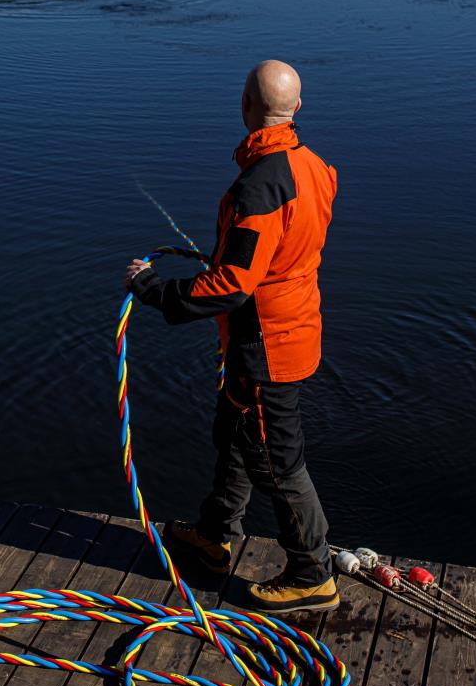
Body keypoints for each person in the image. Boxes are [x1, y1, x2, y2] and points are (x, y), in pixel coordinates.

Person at [125, 59, 340, 613]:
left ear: (246, 106)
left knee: (277, 461)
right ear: (297, 109)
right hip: (292, 330)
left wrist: (155, 291)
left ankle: (313, 573)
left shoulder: (259, 185)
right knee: (236, 436)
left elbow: (233, 284)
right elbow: (282, 252)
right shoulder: (315, 167)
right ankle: (214, 537)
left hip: (267, 346)